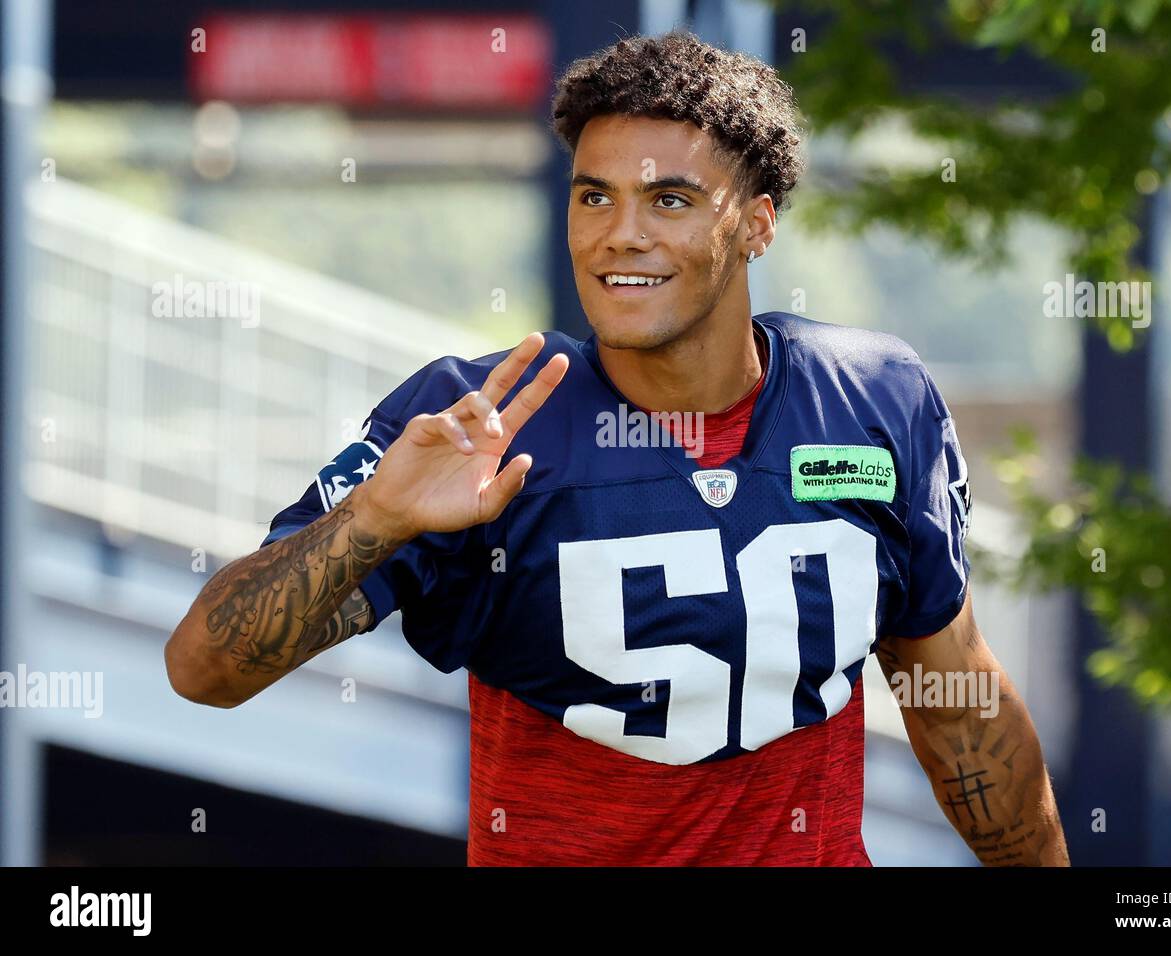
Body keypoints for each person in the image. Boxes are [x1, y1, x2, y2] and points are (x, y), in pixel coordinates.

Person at [165, 30, 1069, 866]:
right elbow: (204, 669)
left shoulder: (874, 399)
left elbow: (958, 707)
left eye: (668, 199)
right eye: (595, 195)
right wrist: (374, 518)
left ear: (756, 224)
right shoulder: (481, 416)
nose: (620, 233)